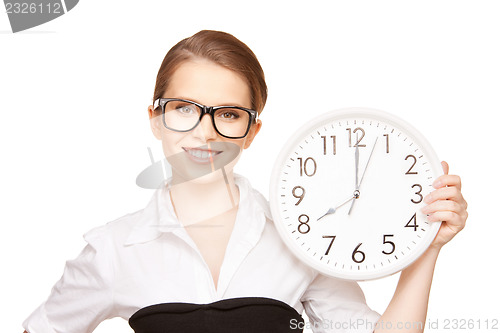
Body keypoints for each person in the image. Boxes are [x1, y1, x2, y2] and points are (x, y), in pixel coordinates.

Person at [22, 30, 468, 333]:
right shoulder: (113, 250)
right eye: (183, 108)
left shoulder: (301, 239)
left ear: (252, 132)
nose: (205, 131)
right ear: (156, 120)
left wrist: (425, 248)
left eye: (229, 114)